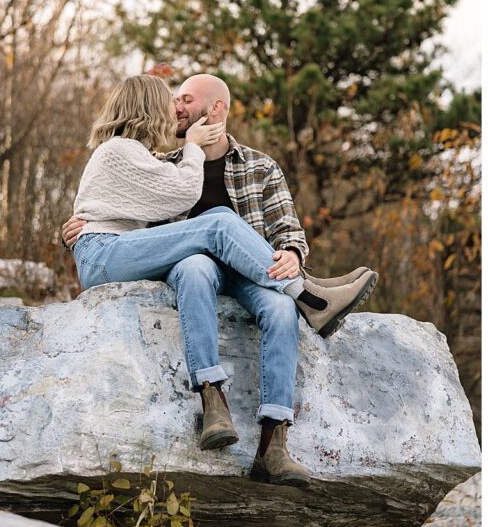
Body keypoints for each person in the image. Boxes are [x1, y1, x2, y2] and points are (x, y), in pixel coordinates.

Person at [62, 73, 377, 486]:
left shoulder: (260, 166)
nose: (175, 108)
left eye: (186, 99)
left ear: (217, 110)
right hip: (189, 266)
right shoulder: (164, 161)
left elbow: (288, 228)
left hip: (252, 270)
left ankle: (274, 446)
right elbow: (131, 206)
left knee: (281, 307)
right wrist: (75, 228)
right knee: (206, 244)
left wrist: (294, 254)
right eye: (171, 101)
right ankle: (216, 398)